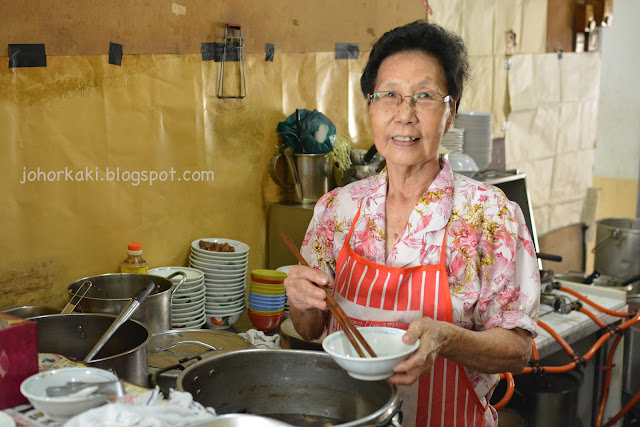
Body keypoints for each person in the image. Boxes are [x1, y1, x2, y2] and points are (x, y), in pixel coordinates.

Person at [284, 20, 540, 427]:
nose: (404, 115)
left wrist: (447, 339)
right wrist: (300, 301)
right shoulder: (337, 209)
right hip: (350, 417)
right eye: (389, 96)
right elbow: (311, 328)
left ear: (450, 111)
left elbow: (517, 350)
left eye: (424, 96)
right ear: (371, 105)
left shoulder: (491, 215)